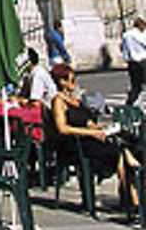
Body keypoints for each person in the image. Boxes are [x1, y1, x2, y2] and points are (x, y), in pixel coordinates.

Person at [50, 64, 139, 208]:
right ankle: (130, 199)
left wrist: (104, 128)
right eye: (72, 80)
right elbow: (63, 128)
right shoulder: (58, 101)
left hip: (86, 140)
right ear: (62, 82)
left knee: (122, 150)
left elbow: (88, 123)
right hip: (73, 144)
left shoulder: (76, 100)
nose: (75, 84)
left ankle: (129, 197)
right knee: (118, 154)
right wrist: (91, 132)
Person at [119, 16, 146, 106]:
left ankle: (129, 103)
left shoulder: (126, 35)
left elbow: (122, 48)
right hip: (142, 61)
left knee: (135, 86)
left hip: (132, 63)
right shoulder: (140, 35)